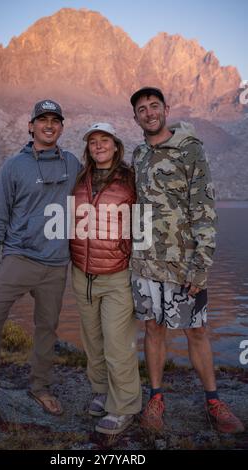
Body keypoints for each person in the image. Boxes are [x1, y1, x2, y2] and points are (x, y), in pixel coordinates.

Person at [0, 99, 82, 423]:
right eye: (42, 120)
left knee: (47, 328)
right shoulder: (13, 166)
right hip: (18, 258)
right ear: (31, 126)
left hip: (55, 264)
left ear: (61, 127)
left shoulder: (73, 164)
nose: (49, 125)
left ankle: (41, 387)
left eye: (55, 120)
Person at [130, 87, 245, 434]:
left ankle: (213, 401)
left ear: (166, 109)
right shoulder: (137, 154)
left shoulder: (189, 149)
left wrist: (202, 263)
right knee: (154, 328)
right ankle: (156, 398)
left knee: (196, 330)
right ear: (135, 117)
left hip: (184, 263)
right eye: (141, 109)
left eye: (153, 106)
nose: (149, 113)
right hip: (146, 261)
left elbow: (204, 208)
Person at [70, 123, 142, 435]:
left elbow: (143, 222)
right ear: (88, 147)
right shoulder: (80, 178)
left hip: (116, 275)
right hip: (81, 274)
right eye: (94, 141)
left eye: (105, 140)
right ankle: (101, 390)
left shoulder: (130, 179)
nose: (99, 145)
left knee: (118, 344)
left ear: (115, 145)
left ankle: (124, 406)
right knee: (93, 340)